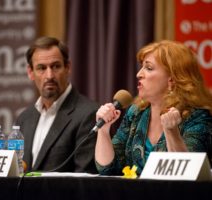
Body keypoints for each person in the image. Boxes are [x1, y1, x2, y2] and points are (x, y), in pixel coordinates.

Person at [95, 40, 212, 175]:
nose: (139, 74)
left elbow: (188, 173)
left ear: (172, 80)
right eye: (141, 67)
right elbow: (108, 169)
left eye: (149, 68)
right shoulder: (136, 112)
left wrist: (172, 132)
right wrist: (103, 131)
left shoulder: (197, 117)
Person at [15, 36, 99, 173]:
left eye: (56, 66)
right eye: (41, 68)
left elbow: (85, 178)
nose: (49, 75)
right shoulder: (24, 118)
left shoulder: (89, 114)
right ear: (30, 72)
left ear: (68, 67)